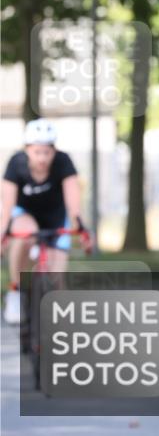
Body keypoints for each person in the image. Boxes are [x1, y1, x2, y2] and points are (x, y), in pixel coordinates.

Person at [2, 118, 86, 325]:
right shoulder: (16, 163)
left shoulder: (63, 162)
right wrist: (3, 232)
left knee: (57, 278)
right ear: (27, 149)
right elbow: (7, 204)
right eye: (37, 152)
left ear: (54, 150)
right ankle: (15, 291)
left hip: (54, 218)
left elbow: (73, 197)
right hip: (25, 215)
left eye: (47, 152)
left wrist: (80, 225)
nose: (42, 158)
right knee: (26, 233)